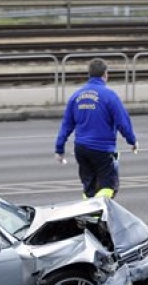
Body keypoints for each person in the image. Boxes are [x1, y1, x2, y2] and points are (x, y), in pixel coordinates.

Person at [54, 58, 139, 199]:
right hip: (102, 150)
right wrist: (132, 141)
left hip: (81, 149)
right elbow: (122, 122)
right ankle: (99, 214)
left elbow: (66, 125)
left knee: (89, 188)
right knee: (108, 186)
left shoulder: (76, 96)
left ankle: (89, 214)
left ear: (89, 74)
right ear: (105, 75)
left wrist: (59, 148)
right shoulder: (110, 96)